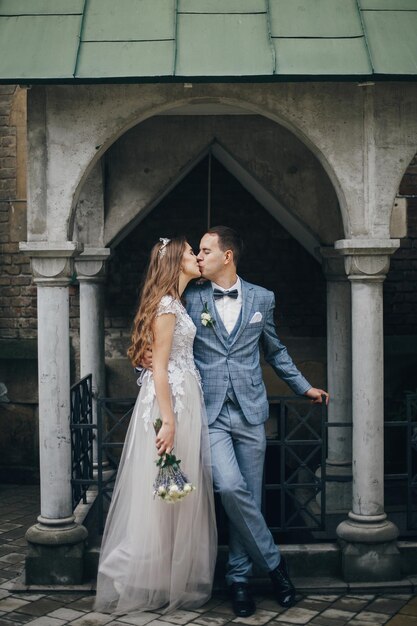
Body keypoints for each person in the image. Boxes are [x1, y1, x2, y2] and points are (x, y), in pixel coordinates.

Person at [184, 226, 329, 616]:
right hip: (211, 412)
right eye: (198, 251)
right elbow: (171, 343)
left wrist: (303, 387)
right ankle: (278, 568)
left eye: (205, 250)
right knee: (231, 489)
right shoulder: (190, 296)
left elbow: (275, 351)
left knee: (251, 498)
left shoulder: (262, 298)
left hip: (251, 413)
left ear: (226, 255)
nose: (199, 256)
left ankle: (240, 580)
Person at [94, 237, 217, 615]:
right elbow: (160, 369)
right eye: (190, 253)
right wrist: (168, 421)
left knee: (174, 496)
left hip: (182, 399)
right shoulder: (167, 306)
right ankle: (128, 569)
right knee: (158, 492)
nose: (197, 257)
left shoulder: (177, 303)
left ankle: (162, 578)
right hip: (170, 403)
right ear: (175, 263)